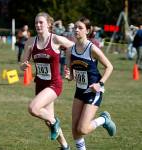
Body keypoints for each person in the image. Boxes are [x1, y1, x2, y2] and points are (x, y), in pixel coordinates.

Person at [20, 12, 74, 150]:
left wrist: (69, 65)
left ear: (49, 24)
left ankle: (55, 121)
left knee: (33, 108)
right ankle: (65, 146)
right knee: (48, 121)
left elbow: (73, 47)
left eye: (41, 22)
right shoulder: (31, 42)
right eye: (36, 22)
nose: (38, 25)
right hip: (40, 84)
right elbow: (22, 63)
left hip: (54, 84)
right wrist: (23, 66)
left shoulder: (55, 39)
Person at [67, 17, 116, 150]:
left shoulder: (92, 48)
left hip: (93, 91)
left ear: (87, 31)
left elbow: (109, 67)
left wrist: (100, 84)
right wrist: (69, 75)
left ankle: (104, 120)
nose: (76, 29)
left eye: (80, 27)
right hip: (79, 91)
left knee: (82, 129)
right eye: (75, 27)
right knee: (74, 130)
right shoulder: (70, 50)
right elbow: (70, 71)